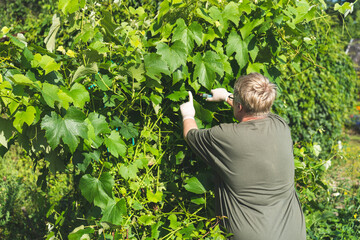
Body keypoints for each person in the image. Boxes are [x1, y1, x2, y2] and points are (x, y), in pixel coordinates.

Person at [180, 72, 306, 240]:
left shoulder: (225, 136)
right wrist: (226, 96)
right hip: (293, 232)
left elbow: (191, 135)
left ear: (239, 106)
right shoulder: (281, 126)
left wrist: (187, 114)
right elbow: (257, 110)